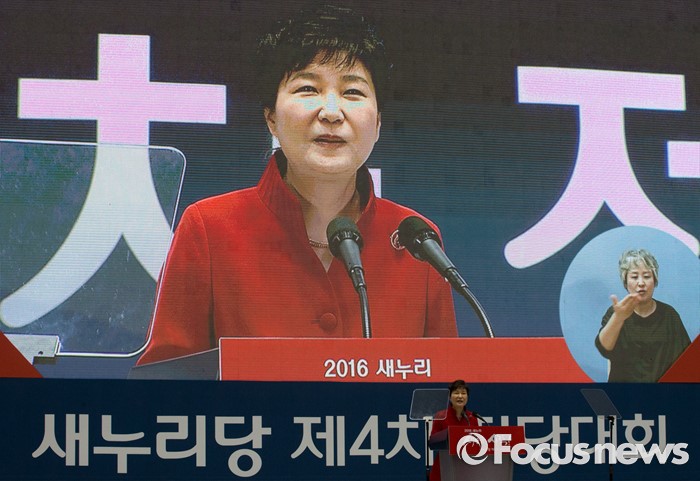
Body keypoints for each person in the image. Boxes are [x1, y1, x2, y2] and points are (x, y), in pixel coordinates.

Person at [137, 5, 457, 365]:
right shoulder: (209, 228)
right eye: (308, 88)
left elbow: (447, 386)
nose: (331, 112)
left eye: (353, 92)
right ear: (271, 118)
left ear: (378, 123)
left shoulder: (418, 240)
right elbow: (165, 384)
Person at [595, 249, 691, 382]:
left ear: (655, 281)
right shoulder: (615, 313)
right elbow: (603, 348)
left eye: (646, 276)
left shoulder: (669, 315)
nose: (641, 283)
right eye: (634, 277)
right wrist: (618, 318)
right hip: (623, 391)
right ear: (625, 282)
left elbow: (686, 362)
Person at [428, 380, 479, 481]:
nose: (460, 396)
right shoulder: (441, 416)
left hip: (465, 466)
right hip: (444, 466)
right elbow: (433, 442)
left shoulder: (472, 418)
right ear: (450, 397)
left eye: (463, 393)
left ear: (467, 397)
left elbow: (477, 442)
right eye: (456, 393)